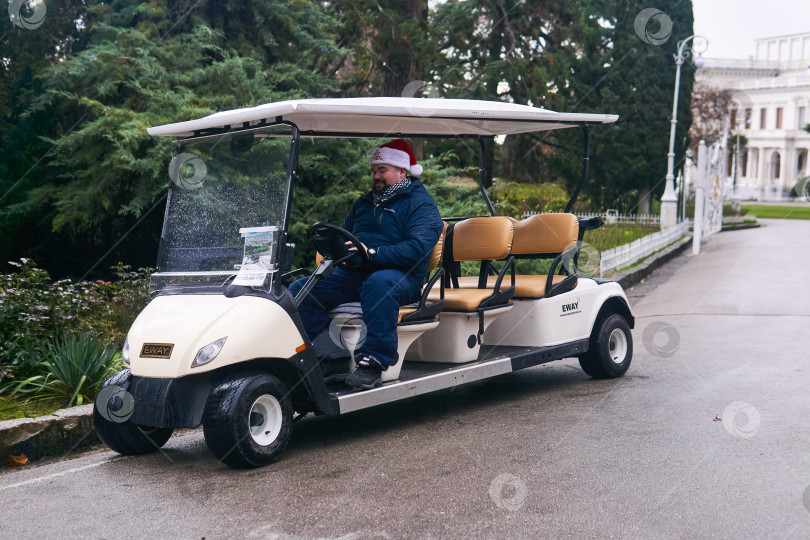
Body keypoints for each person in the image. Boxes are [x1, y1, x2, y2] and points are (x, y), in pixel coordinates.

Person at [289, 139, 444, 389]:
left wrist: (372, 252)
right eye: (374, 171)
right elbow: (344, 235)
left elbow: (417, 250)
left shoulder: (420, 204)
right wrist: (334, 245)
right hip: (359, 272)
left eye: (382, 170)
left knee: (378, 283)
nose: (376, 176)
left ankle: (373, 361)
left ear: (402, 171)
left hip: (403, 277)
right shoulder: (364, 203)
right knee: (301, 289)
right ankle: (329, 357)